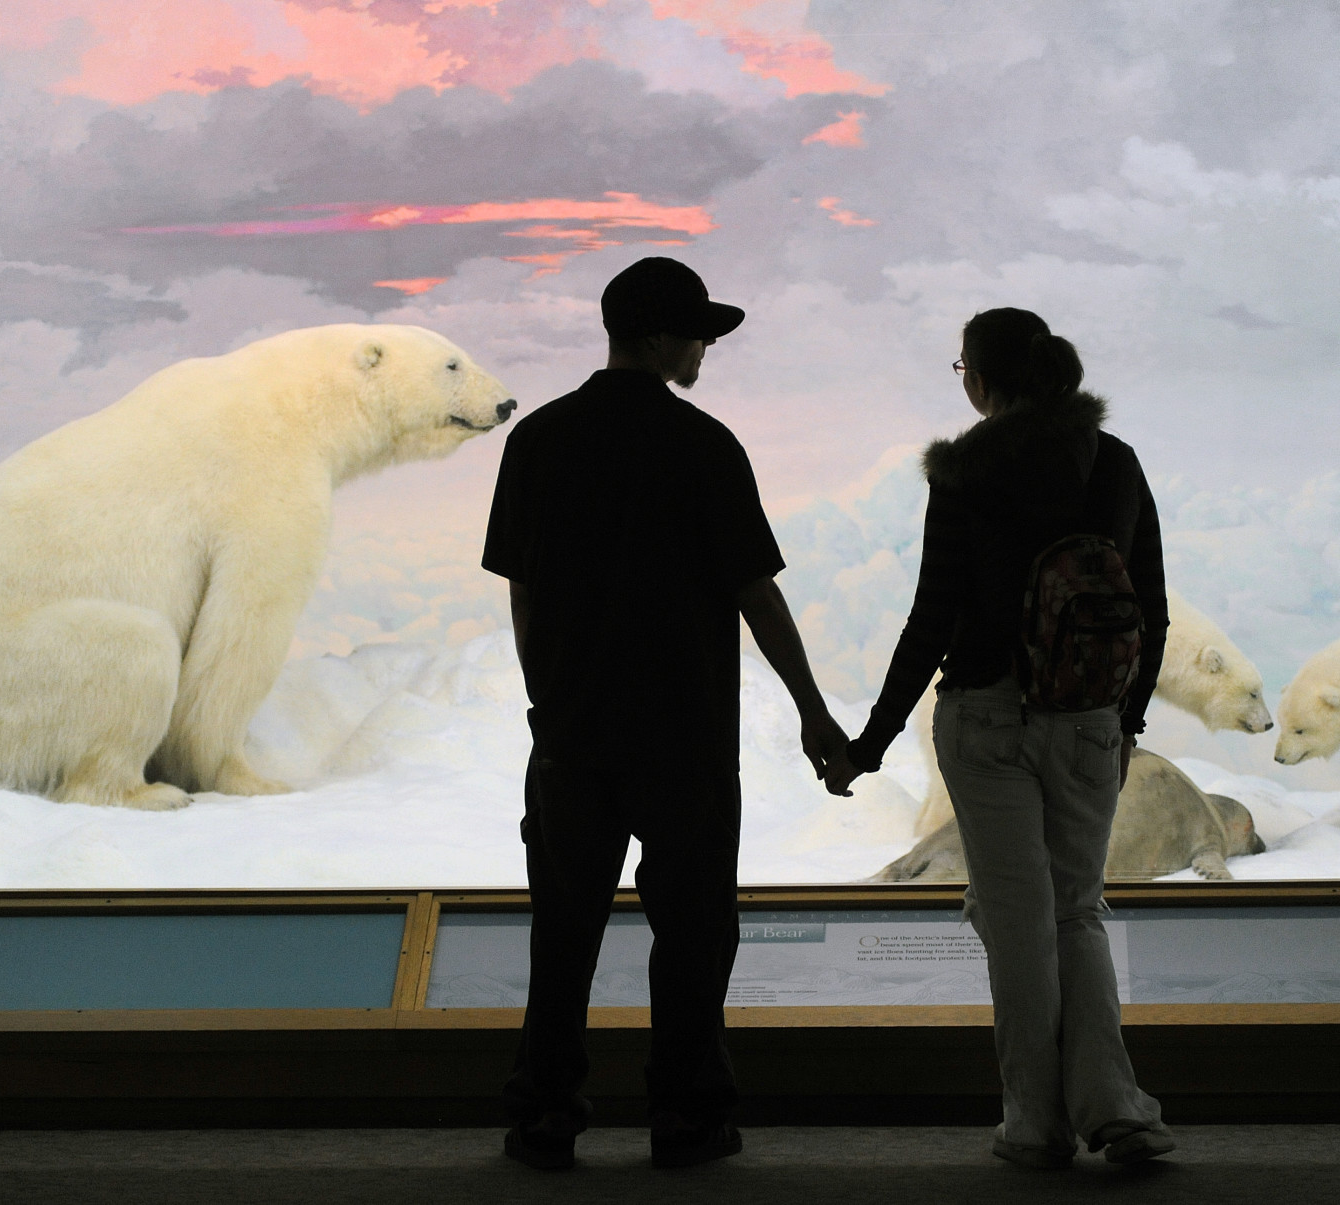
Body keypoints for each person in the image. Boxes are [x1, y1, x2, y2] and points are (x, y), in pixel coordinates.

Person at [483, 256, 847, 1171]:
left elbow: (523, 591)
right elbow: (753, 593)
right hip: (684, 739)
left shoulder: (538, 441)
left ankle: (544, 1117)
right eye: (696, 334)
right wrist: (813, 711)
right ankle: (686, 1118)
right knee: (693, 935)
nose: (703, 349)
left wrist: (546, 697)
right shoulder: (703, 445)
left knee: (563, 932)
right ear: (656, 337)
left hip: (571, 732)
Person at [823, 308, 1176, 1169]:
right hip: (1088, 722)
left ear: (980, 378)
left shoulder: (968, 473)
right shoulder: (1115, 462)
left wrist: (866, 743)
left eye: (961, 369)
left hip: (987, 721)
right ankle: (1116, 1104)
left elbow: (931, 616)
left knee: (1017, 921)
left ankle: (1035, 1121)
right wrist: (1123, 723)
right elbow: (1152, 608)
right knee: (1077, 909)